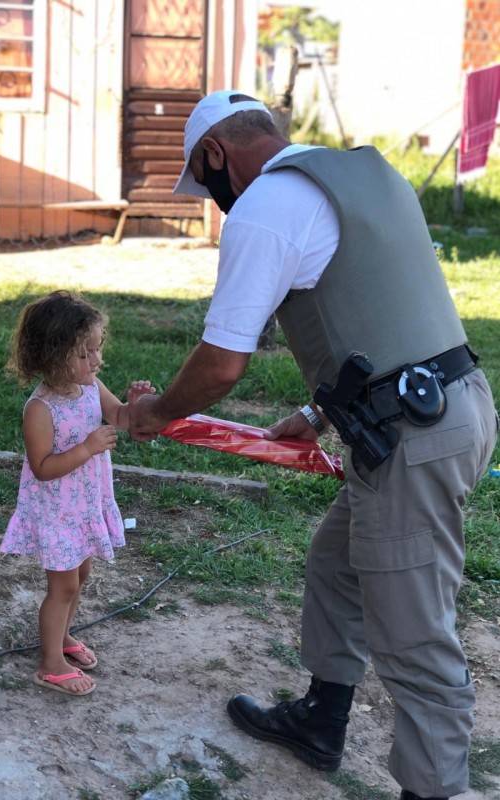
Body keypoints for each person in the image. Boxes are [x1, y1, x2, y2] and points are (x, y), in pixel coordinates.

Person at [128, 90, 499, 798]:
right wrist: (318, 409)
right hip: (452, 404)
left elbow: (221, 365)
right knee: (337, 563)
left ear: (215, 155)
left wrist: (154, 413)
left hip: (409, 442)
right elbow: (385, 317)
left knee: (415, 637)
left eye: (204, 182)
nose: (212, 197)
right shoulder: (366, 173)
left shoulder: (266, 207)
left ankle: (435, 788)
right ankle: (321, 720)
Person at [1, 290, 155, 697]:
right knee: (63, 586)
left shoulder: (90, 388)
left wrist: (135, 404)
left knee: (82, 574)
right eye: (86, 353)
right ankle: (50, 663)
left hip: (85, 504)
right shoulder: (40, 409)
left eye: (97, 350)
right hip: (56, 511)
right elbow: (42, 468)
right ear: (53, 357)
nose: (97, 360)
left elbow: (119, 416)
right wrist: (86, 448)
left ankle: (64, 637)